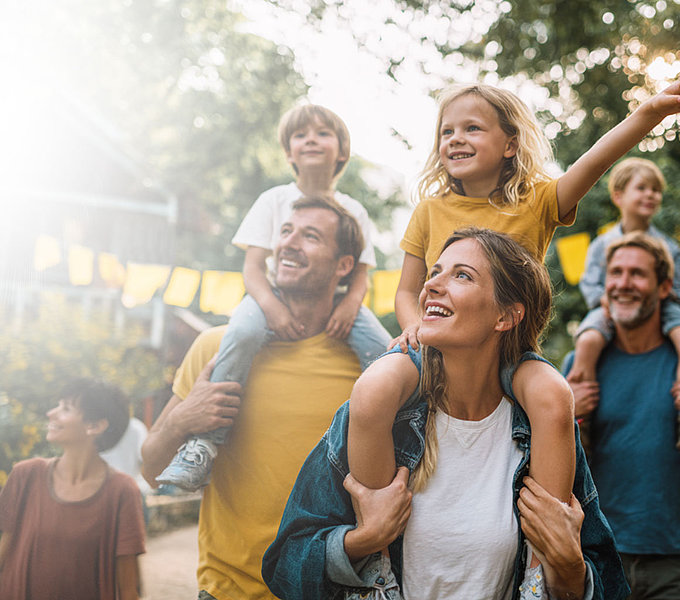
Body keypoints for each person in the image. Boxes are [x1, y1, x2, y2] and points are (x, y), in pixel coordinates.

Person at [364, 68, 680, 569]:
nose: (455, 139)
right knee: (374, 387)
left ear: (510, 144)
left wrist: (651, 112)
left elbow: (600, 158)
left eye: (471, 128)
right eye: (447, 130)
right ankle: (372, 547)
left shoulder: (537, 202)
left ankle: (541, 562)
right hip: (436, 350)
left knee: (555, 397)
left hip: (509, 355)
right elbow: (407, 290)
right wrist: (414, 331)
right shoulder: (430, 210)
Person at [262, 228, 629, 600]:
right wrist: (362, 541)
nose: (432, 285)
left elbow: (610, 586)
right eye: (434, 272)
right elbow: (283, 568)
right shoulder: (384, 414)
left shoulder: (541, 428)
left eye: (462, 275)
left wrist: (569, 568)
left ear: (505, 316)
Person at [142, 196, 367, 600]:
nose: (289, 243)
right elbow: (149, 468)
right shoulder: (217, 347)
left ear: (344, 265)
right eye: (286, 232)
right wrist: (182, 420)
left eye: (310, 236)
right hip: (227, 590)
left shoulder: (368, 372)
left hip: (323, 588)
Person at [157, 103, 390, 491]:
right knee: (243, 333)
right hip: (270, 293)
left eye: (322, 133)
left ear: (342, 151)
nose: (311, 140)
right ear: (288, 153)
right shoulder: (273, 200)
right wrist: (271, 308)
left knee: (387, 356)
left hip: (336, 301)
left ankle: (391, 440)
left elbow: (361, 274)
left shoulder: (354, 210)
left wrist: (350, 306)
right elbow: (253, 268)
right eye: (300, 135)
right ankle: (204, 443)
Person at [567, 232, 680, 600]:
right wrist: (565, 418)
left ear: (665, 286)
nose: (623, 283)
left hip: (676, 564)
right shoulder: (579, 367)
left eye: (637, 274)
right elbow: (548, 467)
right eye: (615, 273)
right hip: (597, 560)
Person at [567, 157, 680, 453]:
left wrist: (659, 300)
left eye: (656, 190)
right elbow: (589, 282)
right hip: (607, 306)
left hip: (662, 305)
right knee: (588, 340)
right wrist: (604, 299)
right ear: (619, 196)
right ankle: (581, 418)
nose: (650, 195)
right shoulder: (601, 244)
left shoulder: (669, 247)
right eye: (642, 188)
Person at [0, 379, 146, 600]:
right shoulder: (25, 475)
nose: (51, 413)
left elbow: (128, 589)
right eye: (57, 405)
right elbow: (3, 549)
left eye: (66, 408)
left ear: (95, 426)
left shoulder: (121, 491)